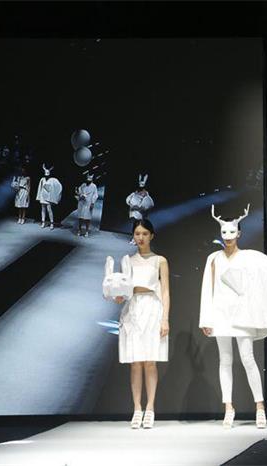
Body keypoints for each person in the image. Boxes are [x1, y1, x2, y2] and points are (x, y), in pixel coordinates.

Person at [199, 204, 267, 429]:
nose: (228, 236)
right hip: (220, 313)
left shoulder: (249, 258)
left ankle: (260, 407)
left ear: (239, 233)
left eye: (232, 232)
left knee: (248, 358)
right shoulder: (213, 258)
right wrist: (206, 318)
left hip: (243, 313)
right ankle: (228, 407)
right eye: (224, 232)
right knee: (225, 360)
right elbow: (207, 288)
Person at [113, 219, 170, 429]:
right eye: (137, 233)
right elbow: (123, 290)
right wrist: (118, 296)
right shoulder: (127, 261)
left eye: (145, 233)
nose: (141, 237)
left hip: (153, 308)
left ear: (151, 236)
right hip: (133, 310)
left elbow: (165, 291)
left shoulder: (160, 260)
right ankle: (137, 408)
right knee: (136, 362)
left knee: (150, 361)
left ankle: (150, 408)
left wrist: (165, 318)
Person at [126, 174, 154, 242]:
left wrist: (140, 208)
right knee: (135, 225)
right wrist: (132, 205)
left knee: (139, 226)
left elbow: (148, 204)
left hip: (140, 214)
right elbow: (128, 200)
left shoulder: (146, 195)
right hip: (135, 213)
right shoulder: (135, 193)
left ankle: (137, 239)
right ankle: (134, 239)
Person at [36, 164, 62, 229]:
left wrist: (55, 194)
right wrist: (39, 196)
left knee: (49, 210)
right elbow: (40, 188)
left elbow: (58, 186)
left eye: (48, 173)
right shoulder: (42, 179)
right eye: (46, 173)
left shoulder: (52, 180)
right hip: (42, 196)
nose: (47, 175)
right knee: (43, 209)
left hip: (48, 197)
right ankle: (43, 222)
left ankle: (52, 223)